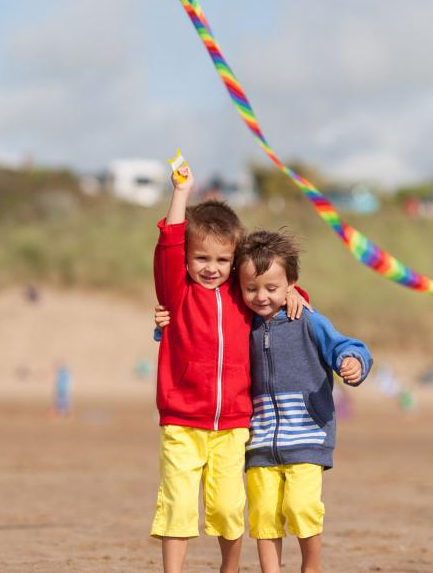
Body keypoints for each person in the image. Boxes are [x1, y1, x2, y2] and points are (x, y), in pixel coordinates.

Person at [152, 163, 309, 573]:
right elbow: (169, 242)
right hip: (182, 420)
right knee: (179, 504)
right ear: (187, 259)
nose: (211, 267)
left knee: (226, 506)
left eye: (222, 260)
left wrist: (296, 291)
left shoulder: (241, 296)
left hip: (234, 423)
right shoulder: (178, 294)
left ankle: (230, 567)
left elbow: (267, 288)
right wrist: (181, 193)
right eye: (201, 257)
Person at [237, 230, 372, 573]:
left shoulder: (307, 320)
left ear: (291, 283)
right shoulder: (242, 325)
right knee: (264, 513)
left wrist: (353, 360)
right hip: (260, 439)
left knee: (300, 507)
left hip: (308, 436)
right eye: (251, 288)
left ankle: (311, 565)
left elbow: (345, 345)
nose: (261, 296)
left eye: (271, 288)